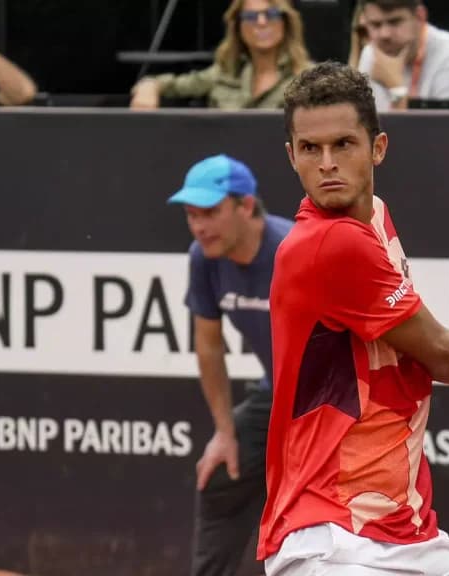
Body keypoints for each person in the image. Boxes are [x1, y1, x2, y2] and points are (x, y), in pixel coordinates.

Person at [257, 62, 449, 575]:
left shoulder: (374, 218)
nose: (327, 163)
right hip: (330, 539)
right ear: (291, 156)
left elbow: (420, 355)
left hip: (403, 532)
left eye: (344, 144)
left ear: (378, 148)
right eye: (310, 149)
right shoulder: (330, 244)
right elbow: (444, 352)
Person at [169, 154, 293, 575]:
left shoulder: (292, 252)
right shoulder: (203, 258)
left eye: (210, 213)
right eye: (191, 215)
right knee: (220, 476)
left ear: (245, 205)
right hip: (275, 394)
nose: (200, 226)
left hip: (335, 402)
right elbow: (208, 346)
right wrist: (224, 432)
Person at [130, 0, 311, 110]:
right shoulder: (222, 74)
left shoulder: (309, 78)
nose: (261, 23)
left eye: (271, 14)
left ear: (285, 22)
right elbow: (172, 85)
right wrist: (149, 86)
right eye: (251, 16)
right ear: (238, 26)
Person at [355, 0, 449, 110]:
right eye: (375, 25)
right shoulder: (370, 55)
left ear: (420, 16)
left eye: (395, 22)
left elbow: (439, 142)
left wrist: (396, 89)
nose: (385, 34)